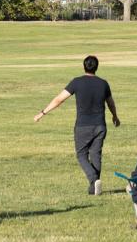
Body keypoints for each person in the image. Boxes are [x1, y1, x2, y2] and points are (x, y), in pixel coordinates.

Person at [34, 55, 120, 196]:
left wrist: (42, 113)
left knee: (81, 154)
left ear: (84, 66)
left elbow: (58, 100)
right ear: (97, 67)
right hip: (100, 125)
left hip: (83, 126)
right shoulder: (103, 83)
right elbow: (110, 102)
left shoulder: (77, 82)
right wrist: (115, 116)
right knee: (95, 154)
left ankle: (94, 180)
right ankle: (94, 188)